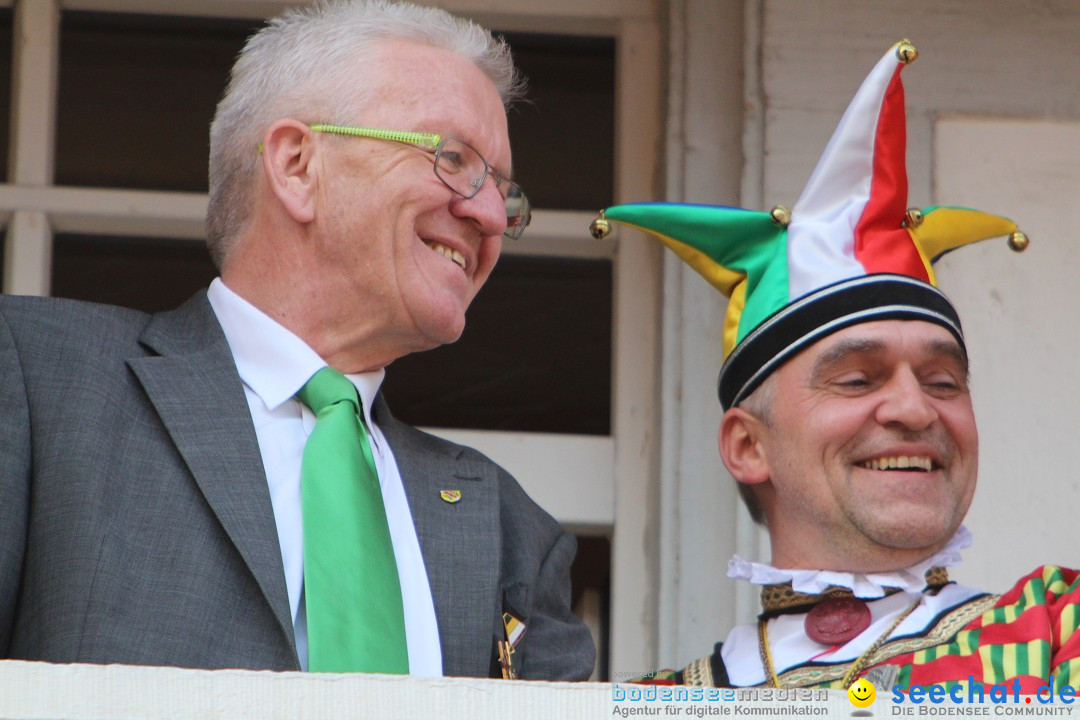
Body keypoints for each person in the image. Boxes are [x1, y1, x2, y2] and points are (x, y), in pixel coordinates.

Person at [0, 0, 594, 680]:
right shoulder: (37, 379)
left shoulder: (512, 531)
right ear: (296, 164)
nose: (490, 214)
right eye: (453, 158)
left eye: (503, 191)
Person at [592, 40, 1079, 692]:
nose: (914, 409)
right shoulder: (661, 704)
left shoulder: (1056, 632)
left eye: (943, 382)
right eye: (857, 378)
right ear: (746, 445)